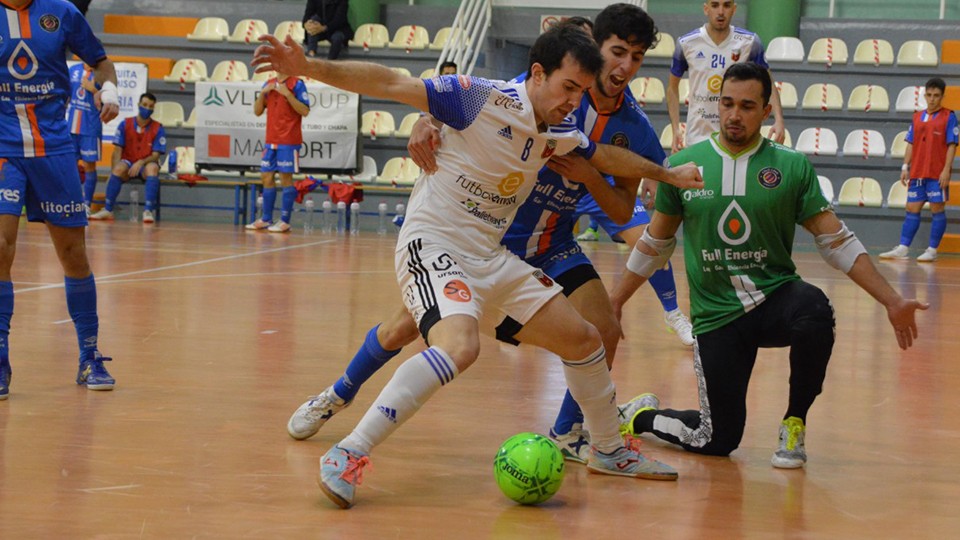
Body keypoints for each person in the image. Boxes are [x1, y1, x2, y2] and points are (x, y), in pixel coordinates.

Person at [253, 23, 703, 508]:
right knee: (458, 346)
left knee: (587, 339)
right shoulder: (477, 98)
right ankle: (347, 453)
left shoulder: (558, 130)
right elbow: (389, 82)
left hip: (490, 257)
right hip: (433, 244)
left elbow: (608, 155)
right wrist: (308, 68)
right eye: (568, 87)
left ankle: (609, 450)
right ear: (537, 73)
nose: (574, 101)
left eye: (581, 93)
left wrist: (667, 173)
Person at [612, 62, 927, 470]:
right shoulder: (685, 167)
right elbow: (655, 244)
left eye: (746, 106)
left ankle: (794, 422)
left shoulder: (791, 166)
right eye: (726, 104)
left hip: (774, 300)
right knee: (717, 439)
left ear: (765, 111)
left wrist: (891, 300)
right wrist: (616, 300)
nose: (734, 115)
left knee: (815, 309)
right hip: (716, 317)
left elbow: (836, 242)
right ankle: (641, 416)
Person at [1, 0, 121, 400]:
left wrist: (111, 90)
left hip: (53, 148)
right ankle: (0, 358)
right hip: (3, 149)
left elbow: (100, 61)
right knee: (0, 247)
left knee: (72, 254)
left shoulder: (62, 12)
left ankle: (89, 355)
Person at [667, 0, 785, 152]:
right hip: (698, 137)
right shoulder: (687, 43)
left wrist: (779, 120)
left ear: (734, 9)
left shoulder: (750, 42)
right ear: (706, 9)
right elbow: (672, 87)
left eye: (727, 5)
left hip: (737, 136)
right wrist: (675, 128)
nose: (721, 11)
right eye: (715, 5)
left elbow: (768, 82)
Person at [879, 77, 957, 263]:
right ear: (924, 95)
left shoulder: (949, 116)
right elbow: (911, 143)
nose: (932, 99)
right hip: (918, 172)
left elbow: (952, 145)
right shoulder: (917, 117)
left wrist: (946, 170)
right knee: (911, 208)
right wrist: (905, 166)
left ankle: (932, 250)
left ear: (942, 96)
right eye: (929, 95)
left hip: (937, 172)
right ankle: (903, 247)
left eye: (936, 96)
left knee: (937, 209)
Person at [245, 71, 310, 233]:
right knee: (266, 176)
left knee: (285, 178)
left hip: (288, 140)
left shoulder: (297, 84)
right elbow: (257, 111)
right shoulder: (269, 83)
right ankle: (266, 218)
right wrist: (262, 94)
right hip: (270, 140)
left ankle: (285, 220)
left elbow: (305, 111)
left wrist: (287, 94)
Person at [89, 93, 166, 223]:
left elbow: (156, 155)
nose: (147, 108)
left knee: (153, 168)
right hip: (128, 162)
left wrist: (141, 162)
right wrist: (113, 172)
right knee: (118, 169)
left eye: (150, 106)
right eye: (145, 105)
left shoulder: (158, 128)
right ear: (138, 105)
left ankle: (148, 211)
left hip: (145, 164)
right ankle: (108, 210)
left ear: (153, 108)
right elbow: (117, 150)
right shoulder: (125, 124)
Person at [66, 63, 103, 214]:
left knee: (89, 166)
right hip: (71, 126)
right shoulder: (74, 70)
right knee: (69, 165)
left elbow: (108, 101)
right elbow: (66, 93)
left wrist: (93, 89)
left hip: (90, 127)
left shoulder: (102, 73)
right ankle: (71, 202)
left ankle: (86, 205)